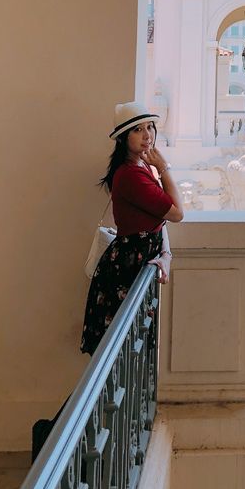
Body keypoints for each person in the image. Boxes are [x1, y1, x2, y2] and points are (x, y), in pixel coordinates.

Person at [80, 101, 184, 355]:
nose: (147, 135)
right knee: (122, 350)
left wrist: (166, 255)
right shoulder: (131, 175)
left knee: (129, 349)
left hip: (134, 263)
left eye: (149, 127)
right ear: (124, 138)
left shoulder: (141, 167)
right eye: (138, 130)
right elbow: (176, 213)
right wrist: (164, 168)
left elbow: (160, 220)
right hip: (127, 268)